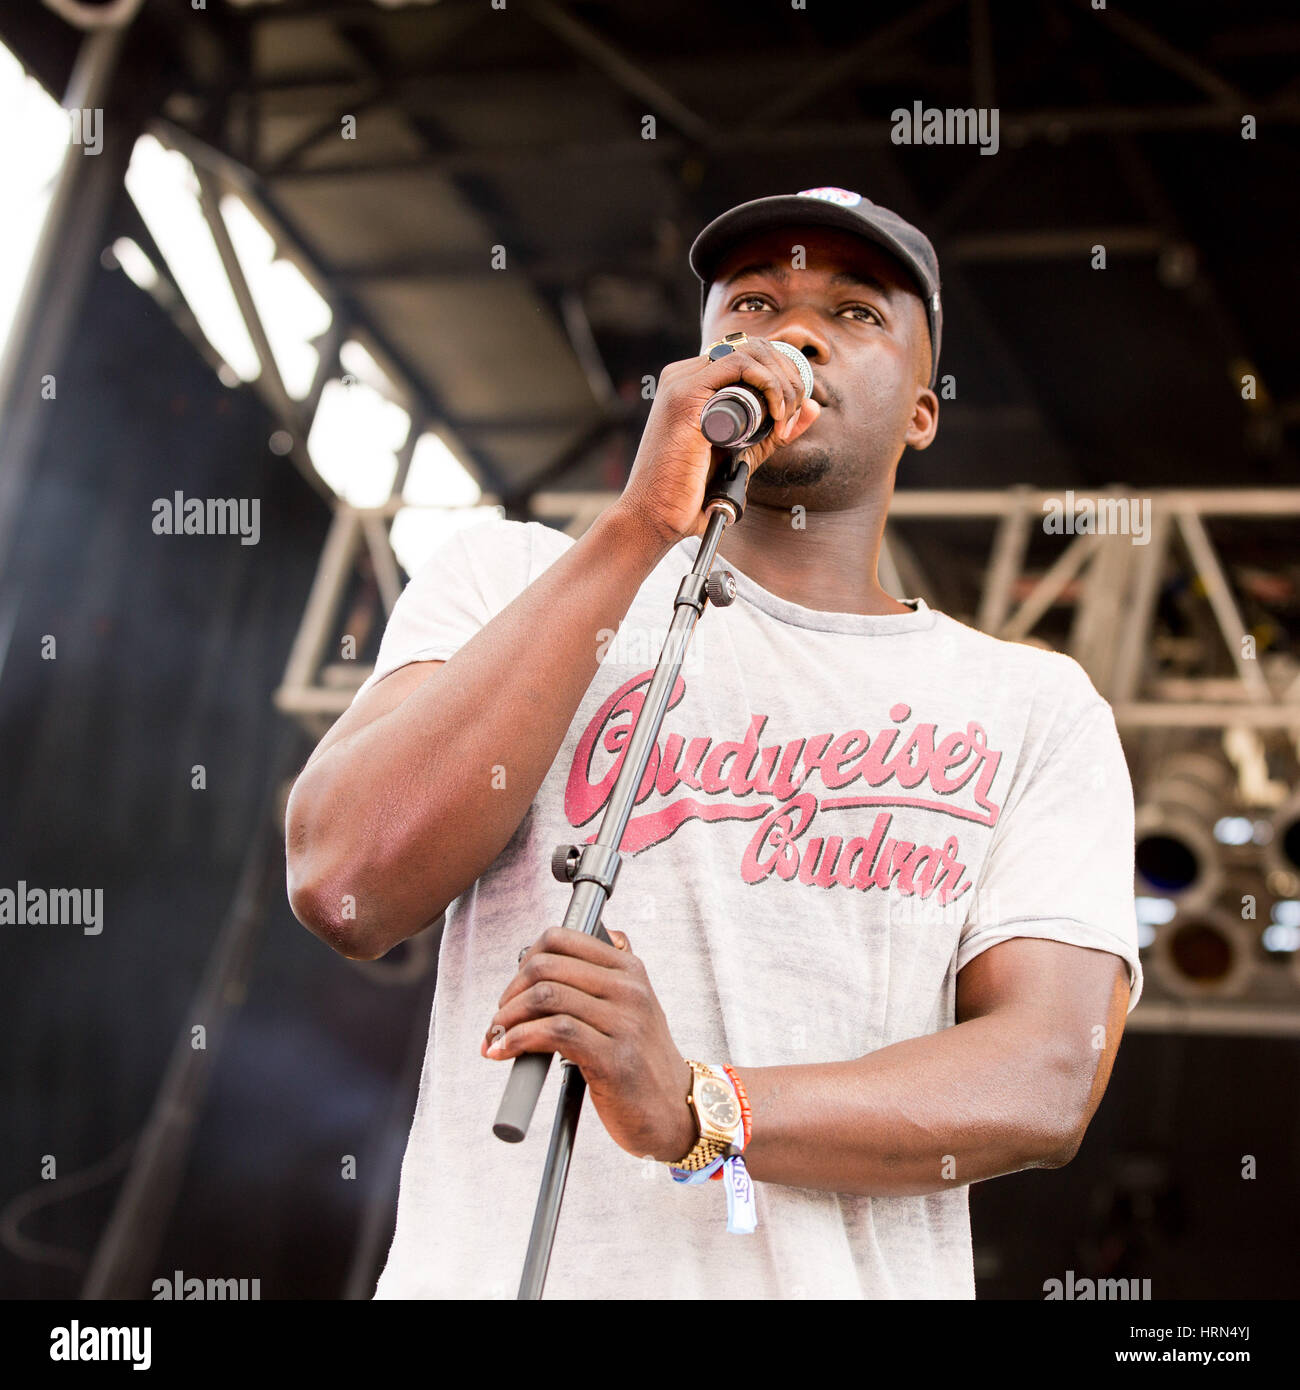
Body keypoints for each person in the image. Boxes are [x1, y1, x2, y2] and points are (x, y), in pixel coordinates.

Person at [284, 187, 1143, 1299]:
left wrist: (701, 1103)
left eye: (855, 312)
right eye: (752, 304)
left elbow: (1044, 1075)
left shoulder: (1032, 703)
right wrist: (642, 525)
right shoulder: (509, 578)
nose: (791, 334)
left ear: (922, 412)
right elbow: (346, 882)